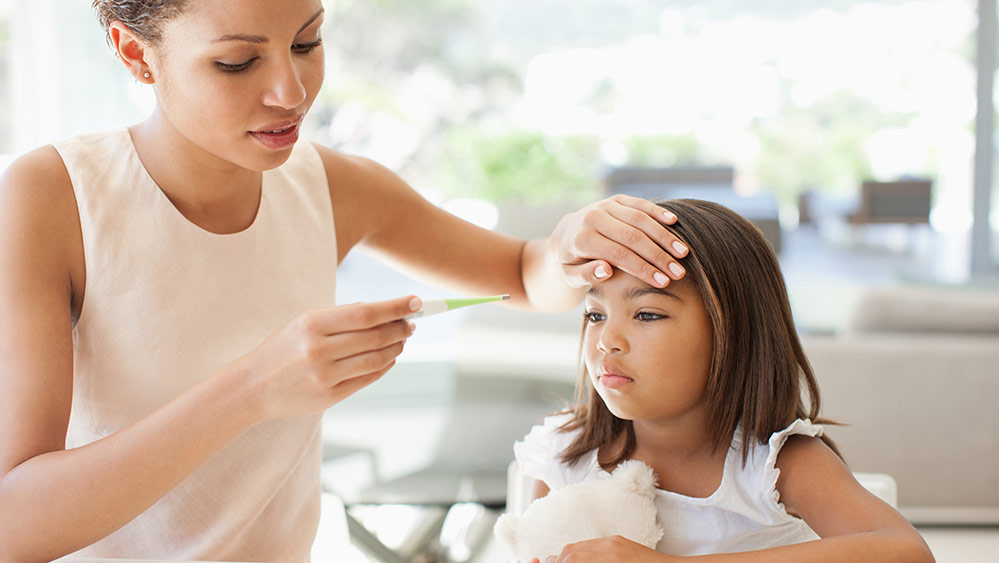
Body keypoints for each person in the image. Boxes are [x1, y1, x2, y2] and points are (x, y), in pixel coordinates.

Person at [0, 1, 692, 562]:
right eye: (236, 61)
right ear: (133, 53)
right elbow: (14, 523)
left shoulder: (331, 185)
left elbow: (520, 273)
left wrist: (568, 247)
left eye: (307, 43)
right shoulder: (52, 198)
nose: (290, 92)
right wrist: (253, 388)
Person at [512, 199, 935, 562]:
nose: (607, 341)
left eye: (647, 315)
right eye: (595, 315)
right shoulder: (565, 453)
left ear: (732, 331)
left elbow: (906, 552)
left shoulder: (773, 464)